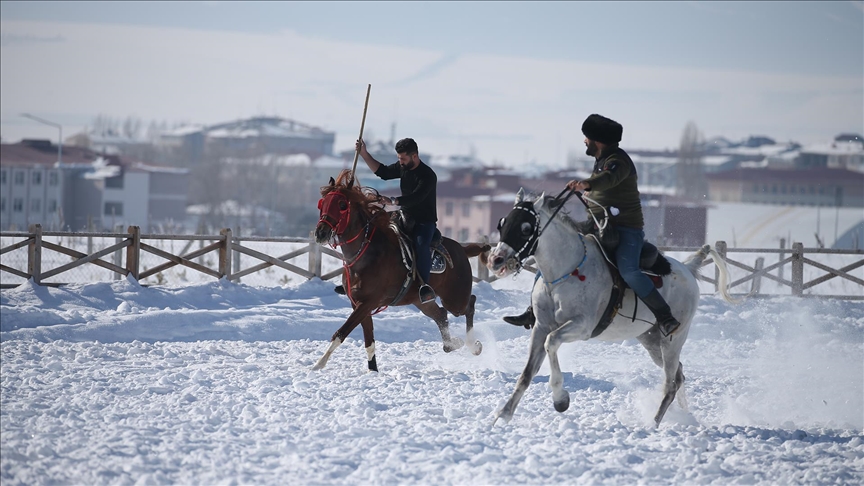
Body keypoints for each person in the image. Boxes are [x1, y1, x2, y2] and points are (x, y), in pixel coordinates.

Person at [503, 114, 681, 337]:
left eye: (586, 137)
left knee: (629, 271)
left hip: (626, 230)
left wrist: (587, 184)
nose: (584, 141)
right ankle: (533, 311)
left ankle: (665, 317)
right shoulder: (601, 161)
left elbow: (609, 179)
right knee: (555, 256)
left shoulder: (618, 161)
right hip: (597, 226)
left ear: (597, 140)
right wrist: (587, 192)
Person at [338, 137, 439, 304]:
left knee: (421, 245)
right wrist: (364, 154)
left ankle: (424, 286)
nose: (400, 162)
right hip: (404, 217)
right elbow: (383, 172)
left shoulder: (428, 176)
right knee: (375, 234)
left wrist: (393, 201)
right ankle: (357, 280)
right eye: (399, 158)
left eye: (403, 158)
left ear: (415, 156)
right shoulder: (402, 167)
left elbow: (417, 198)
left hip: (424, 222)